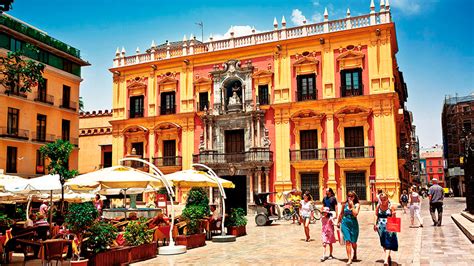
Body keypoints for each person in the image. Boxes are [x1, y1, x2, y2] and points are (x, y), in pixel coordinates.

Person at [374, 193, 398, 265]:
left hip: (389, 226)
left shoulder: (391, 207)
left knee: (388, 242)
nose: (383, 201)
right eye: (381, 200)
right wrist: (375, 224)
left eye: (384, 199)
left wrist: (393, 214)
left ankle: (386, 260)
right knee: (384, 242)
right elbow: (376, 214)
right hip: (380, 227)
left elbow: (394, 219)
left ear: (387, 199)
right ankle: (388, 256)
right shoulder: (378, 206)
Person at [337, 191, 360, 265]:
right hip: (345, 223)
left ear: (354, 197)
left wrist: (352, 205)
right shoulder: (344, 204)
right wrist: (338, 221)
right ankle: (349, 259)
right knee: (348, 241)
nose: (350, 197)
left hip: (353, 224)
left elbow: (355, 214)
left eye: (351, 196)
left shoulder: (357, 205)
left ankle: (355, 252)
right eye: (348, 196)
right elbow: (341, 213)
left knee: (353, 242)